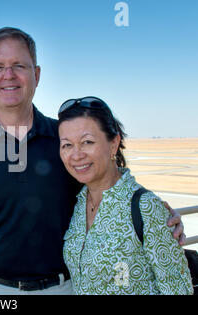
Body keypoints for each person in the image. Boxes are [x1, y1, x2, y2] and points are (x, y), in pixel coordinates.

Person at [0, 27, 184, 295]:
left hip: (65, 288)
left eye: (19, 65)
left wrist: (159, 218)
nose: (9, 75)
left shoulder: (65, 140)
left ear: (36, 75)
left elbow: (110, 186)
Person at [58, 96, 193, 294]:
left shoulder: (146, 207)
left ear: (114, 144)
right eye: (67, 145)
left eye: (87, 142)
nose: (76, 155)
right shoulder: (78, 204)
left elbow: (178, 289)